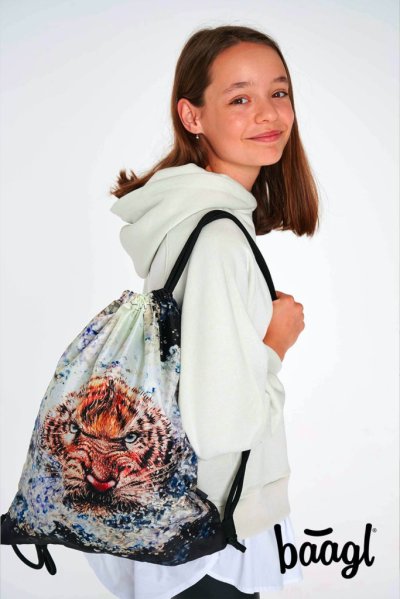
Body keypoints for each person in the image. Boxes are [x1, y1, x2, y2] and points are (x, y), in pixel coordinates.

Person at [85, 24, 319, 599]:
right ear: (192, 116)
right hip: (211, 532)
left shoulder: (191, 221)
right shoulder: (216, 237)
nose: (267, 113)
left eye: (279, 92)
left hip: (175, 518)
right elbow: (222, 425)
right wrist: (276, 343)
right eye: (239, 98)